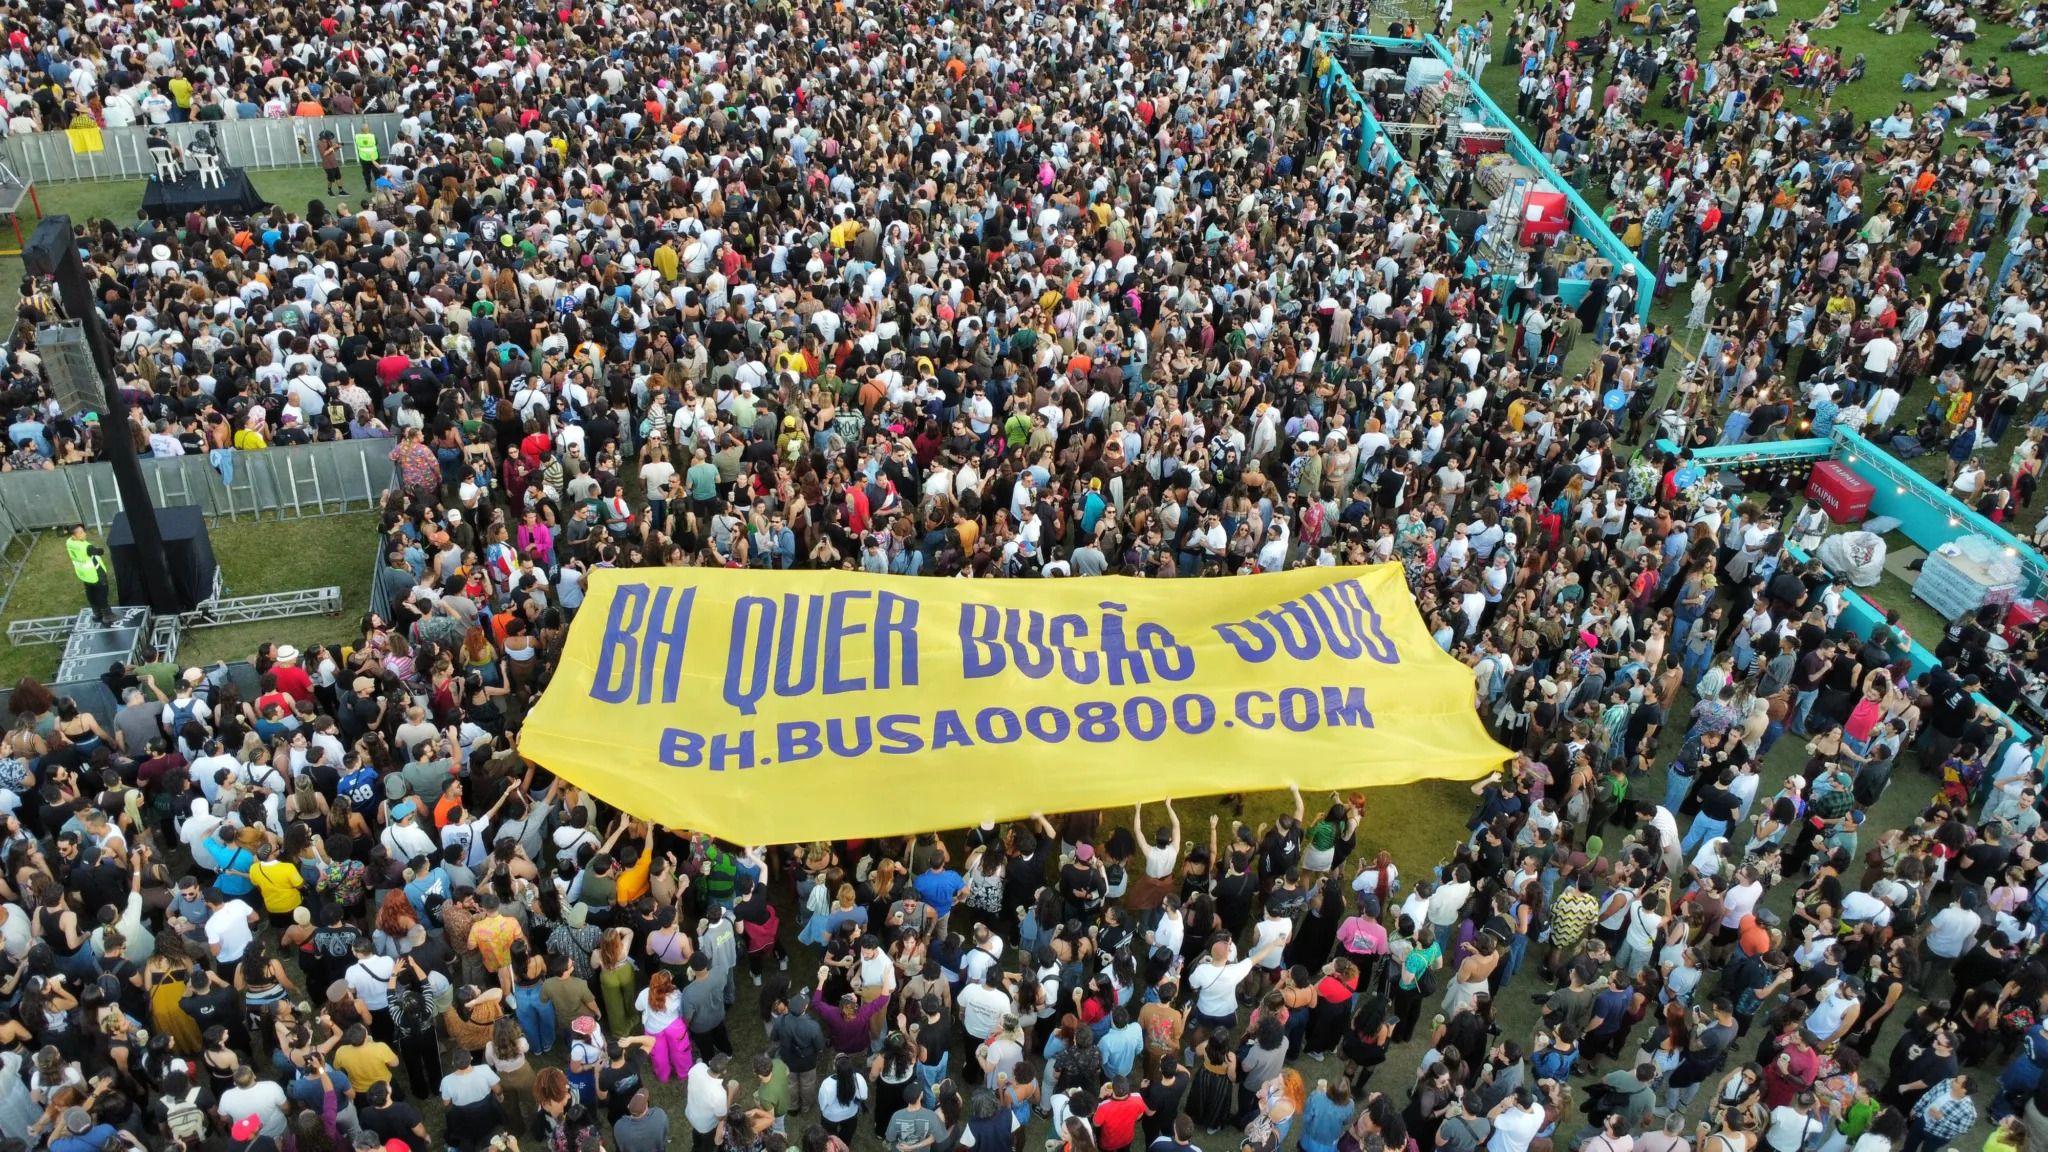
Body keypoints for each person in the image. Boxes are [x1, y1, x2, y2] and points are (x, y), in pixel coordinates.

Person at [66, 524, 113, 626]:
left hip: (84, 575)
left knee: (91, 594)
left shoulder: (69, 542)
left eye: (83, 531)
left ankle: (97, 614)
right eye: (80, 533)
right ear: (74, 536)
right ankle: (107, 616)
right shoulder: (87, 547)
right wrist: (100, 550)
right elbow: (99, 552)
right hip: (96, 574)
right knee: (102, 595)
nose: (84, 534)